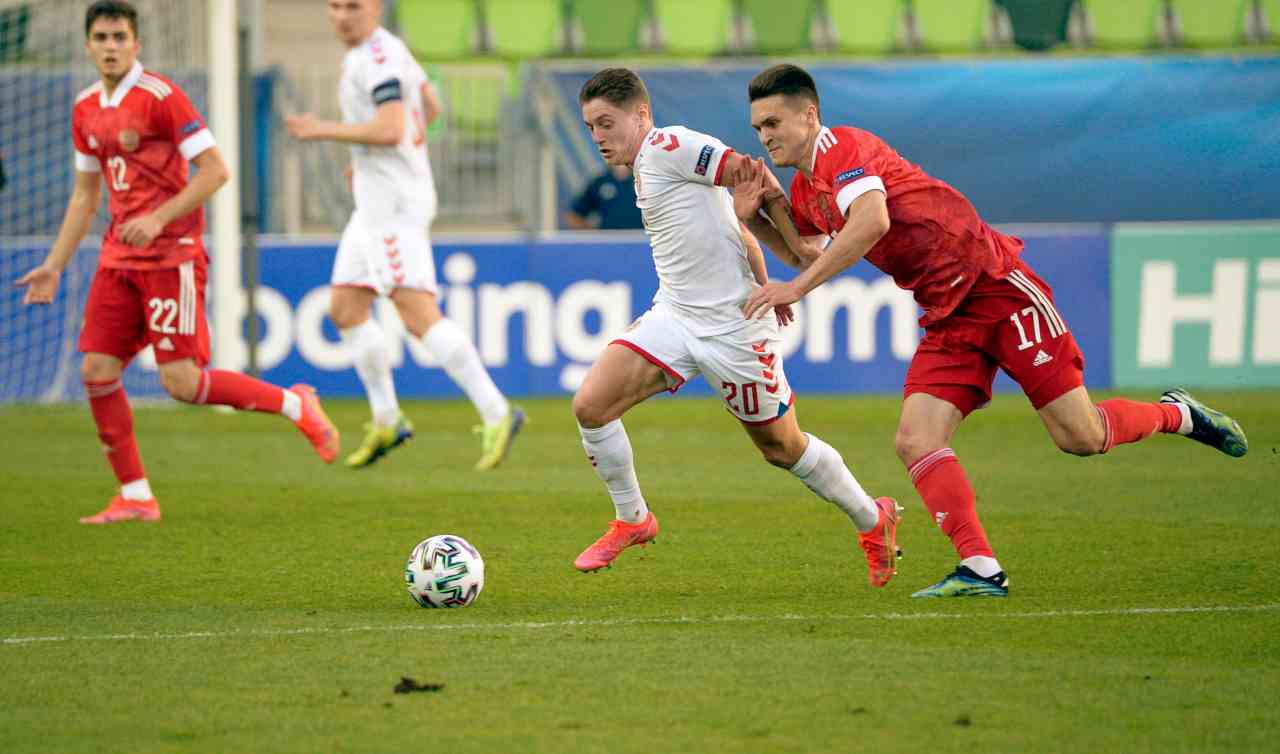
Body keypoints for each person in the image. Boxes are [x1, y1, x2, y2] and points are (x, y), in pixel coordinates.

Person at [735, 63, 1249, 598]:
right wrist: (757, 218)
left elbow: (872, 223)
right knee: (916, 440)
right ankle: (981, 568)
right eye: (757, 129)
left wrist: (797, 289)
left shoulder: (845, 148)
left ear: (810, 114)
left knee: (1081, 436)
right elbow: (805, 254)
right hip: (948, 313)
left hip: (996, 286)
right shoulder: (807, 190)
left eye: (773, 122)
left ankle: (1179, 414)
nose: (765, 136)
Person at [570, 67, 901, 587]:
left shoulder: (670, 145)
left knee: (781, 449)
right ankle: (633, 519)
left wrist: (799, 255)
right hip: (676, 316)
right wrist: (770, 275)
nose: (598, 138)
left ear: (640, 114)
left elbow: (755, 177)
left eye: (605, 124)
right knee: (591, 406)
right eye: (590, 128)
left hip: (733, 330)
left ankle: (871, 518)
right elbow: (736, 225)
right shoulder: (646, 167)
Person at [17, 1, 340, 525]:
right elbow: (84, 197)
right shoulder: (84, 109)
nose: (111, 46)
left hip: (172, 257)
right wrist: (56, 264)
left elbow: (215, 171)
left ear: (137, 43)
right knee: (97, 370)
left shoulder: (161, 98)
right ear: (88, 45)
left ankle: (295, 405)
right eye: (101, 37)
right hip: (118, 260)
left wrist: (159, 218)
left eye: (121, 37)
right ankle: (137, 495)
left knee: (183, 384)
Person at [284, 0, 523, 470]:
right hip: (380, 199)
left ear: (373, 8)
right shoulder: (389, 49)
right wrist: (380, 161)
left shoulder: (374, 58)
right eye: (333, 6)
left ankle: (496, 411)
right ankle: (387, 418)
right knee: (346, 307)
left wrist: (324, 130)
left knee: (416, 314)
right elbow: (428, 105)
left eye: (352, 6)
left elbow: (393, 127)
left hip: (391, 206)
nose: (341, 16)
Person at [563, 164, 643, 230]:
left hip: (644, 244)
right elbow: (574, 216)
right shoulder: (600, 182)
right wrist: (596, 237)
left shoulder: (646, 180)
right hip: (609, 245)